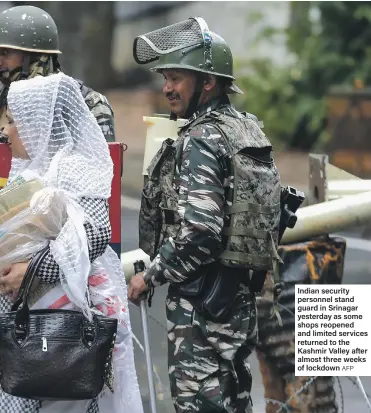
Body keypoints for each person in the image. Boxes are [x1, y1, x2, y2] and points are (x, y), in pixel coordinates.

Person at [129, 17, 282, 413]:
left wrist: (150, 275)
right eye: (165, 77)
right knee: (232, 400)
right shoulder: (245, 130)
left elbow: (199, 231)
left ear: (208, 82)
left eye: (176, 78)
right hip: (235, 302)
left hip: (201, 307)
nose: (167, 88)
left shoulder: (200, 138)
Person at [0, 72, 143, 413]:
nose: (6, 131)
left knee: (62, 398)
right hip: (26, 311)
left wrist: (32, 270)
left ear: (38, 121)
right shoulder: (29, 166)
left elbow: (94, 234)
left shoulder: (76, 166)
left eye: (13, 121)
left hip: (64, 316)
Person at [0, 4, 115, 142]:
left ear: (36, 56)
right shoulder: (2, 99)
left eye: (5, 53)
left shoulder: (88, 104)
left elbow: (104, 160)